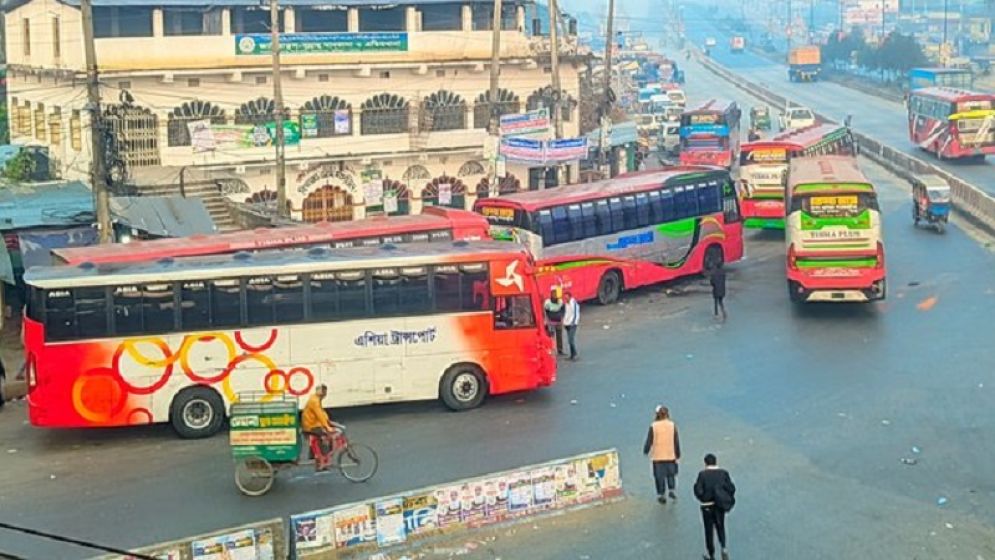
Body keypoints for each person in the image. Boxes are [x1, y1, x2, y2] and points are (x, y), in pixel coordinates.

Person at [694, 453, 736, 560]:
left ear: (705, 463)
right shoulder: (723, 473)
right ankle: (724, 547)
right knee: (720, 526)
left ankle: (711, 554)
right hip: (719, 505)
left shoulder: (702, 475)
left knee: (709, 530)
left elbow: (698, 490)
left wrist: (703, 497)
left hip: (707, 506)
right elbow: (731, 488)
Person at [642, 405, 681, 504]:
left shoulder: (654, 426)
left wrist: (646, 450)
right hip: (670, 454)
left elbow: (649, 440)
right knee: (671, 474)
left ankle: (661, 494)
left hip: (658, 455)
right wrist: (678, 453)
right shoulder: (672, 425)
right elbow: (676, 440)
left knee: (659, 476)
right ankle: (671, 489)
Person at [301, 384, 336, 471]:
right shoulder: (314, 401)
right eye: (324, 392)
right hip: (310, 426)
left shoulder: (316, 399)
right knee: (326, 437)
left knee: (326, 436)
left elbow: (322, 413)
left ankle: (321, 460)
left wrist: (328, 421)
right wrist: (327, 427)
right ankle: (321, 462)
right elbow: (319, 414)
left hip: (313, 424)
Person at [543, 287, 565, 356]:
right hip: (551, 322)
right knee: (551, 337)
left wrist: (562, 318)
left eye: (556, 294)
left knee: (559, 336)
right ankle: (551, 350)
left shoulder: (560, 301)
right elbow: (545, 312)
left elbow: (563, 310)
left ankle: (560, 350)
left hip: (558, 321)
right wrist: (546, 320)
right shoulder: (547, 302)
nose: (555, 295)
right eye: (553, 294)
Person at [562, 290, 580, 360]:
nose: (565, 299)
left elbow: (575, 314)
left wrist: (573, 323)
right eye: (565, 298)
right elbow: (567, 313)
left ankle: (574, 354)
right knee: (570, 340)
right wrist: (565, 322)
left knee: (570, 340)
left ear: (570, 297)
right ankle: (572, 355)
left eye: (566, 298)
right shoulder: (566, 304)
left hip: (573, 324)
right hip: (567, 324)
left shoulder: (574, 303)